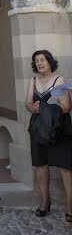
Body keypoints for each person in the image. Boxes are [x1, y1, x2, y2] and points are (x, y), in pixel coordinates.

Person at [26, 49, 72, 222]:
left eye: (43, 60)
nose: (40, 63)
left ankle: (70, 207)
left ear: (50, 62)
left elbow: (66, 106)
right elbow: (28, 103)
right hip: (38, 129)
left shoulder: (60, 80)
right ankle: (45, 202)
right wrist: (33, 108)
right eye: (37, 61)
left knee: (65, 168)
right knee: (41, 165)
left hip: (59, 129)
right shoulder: (33, 80)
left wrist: (45, 108)